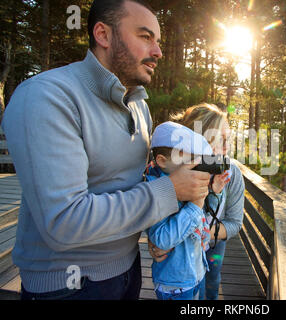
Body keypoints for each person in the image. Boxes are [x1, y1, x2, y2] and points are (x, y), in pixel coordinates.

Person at [0, 0, 210, 300]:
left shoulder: (139, 105)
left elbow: (132, 184)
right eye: (145, 37)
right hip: (68, 285)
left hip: (129, 269)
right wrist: (169, 192)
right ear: (103, 34)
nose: (158, 52)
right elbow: (64, 221)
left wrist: (158, 229)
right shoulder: (47, 97)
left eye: (159, 42)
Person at [148, 103, 245, 300]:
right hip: (179, 270)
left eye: (229, 140)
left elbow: (235, 223)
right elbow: (152, 204)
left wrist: (187, 238)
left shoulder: (231, 173)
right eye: (221, 140)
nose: (227, 148)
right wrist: (155, 237)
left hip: (213, 242)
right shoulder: (174, 171)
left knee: (211, 282)